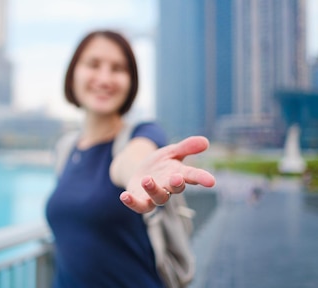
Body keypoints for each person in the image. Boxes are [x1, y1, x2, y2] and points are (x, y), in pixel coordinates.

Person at [45, 30, 216, 287]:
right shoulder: (66, 148)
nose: (104, 78)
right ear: (73, 74)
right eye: (93, 64)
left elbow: (129, 161)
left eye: (118, 68)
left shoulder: (144, 133)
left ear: (131, 81)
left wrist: (141, 175)